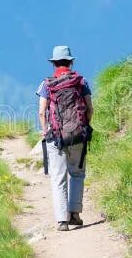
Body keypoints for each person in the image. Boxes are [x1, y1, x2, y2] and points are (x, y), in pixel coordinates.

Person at [37, 45, 94, 232]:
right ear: (71, 62)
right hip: (78, 135)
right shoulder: (81, 81)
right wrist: (84, 125)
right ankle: (75, 214)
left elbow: (41, 111)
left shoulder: (47, 84)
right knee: (77, 174)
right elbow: (89, 108)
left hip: (56, 137)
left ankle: (62, 221)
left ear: (54, 64)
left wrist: (45, 131)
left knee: (58, 178)